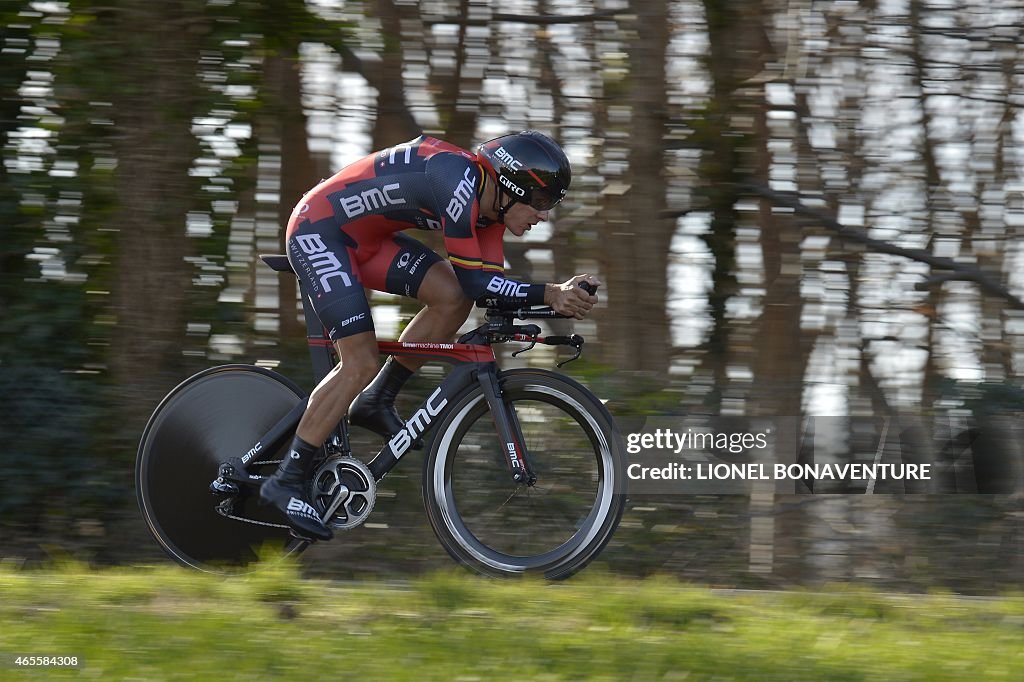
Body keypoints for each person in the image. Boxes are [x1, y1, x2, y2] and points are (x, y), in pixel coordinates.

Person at [259, 130, 601, 540]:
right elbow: (482, 285)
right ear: (511, 187)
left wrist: (558, 300)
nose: (543, 216)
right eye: (542, 203)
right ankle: (286, 479)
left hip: (366, 241)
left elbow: (485, 292)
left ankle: (377, 399)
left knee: (452, 296)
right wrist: (549, 293)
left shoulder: (490, 215)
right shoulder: (455, 181)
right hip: (320, 232)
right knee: (360, 359)